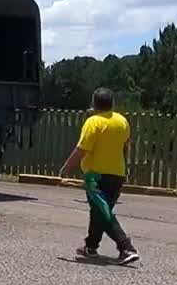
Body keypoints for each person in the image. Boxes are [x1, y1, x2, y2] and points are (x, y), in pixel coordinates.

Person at [58, 88, 140, 265]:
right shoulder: (122, 121)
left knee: (103, 212)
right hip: (117, 173)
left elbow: (82, 148)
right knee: (100, 212)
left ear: (94, 104)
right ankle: (91, 247)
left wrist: (66, 168)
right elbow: (125, 147)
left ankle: (126, 248)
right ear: (112, 103)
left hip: (96, 175)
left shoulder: (93, 122)